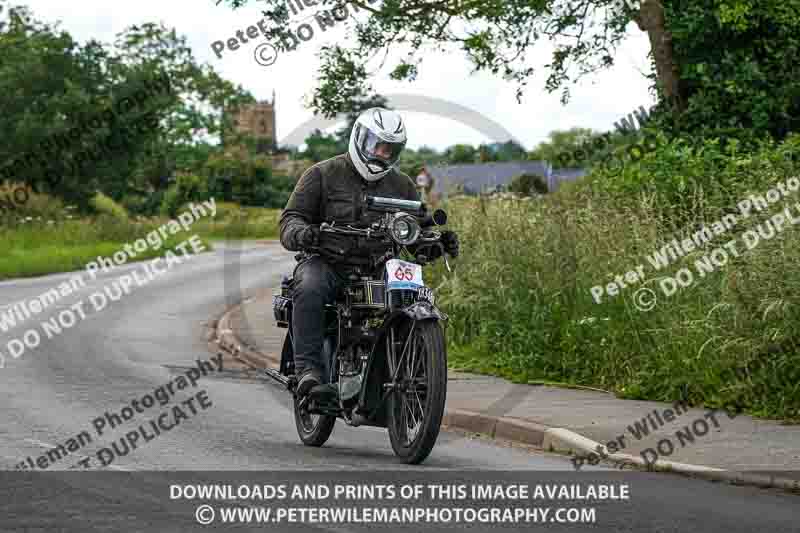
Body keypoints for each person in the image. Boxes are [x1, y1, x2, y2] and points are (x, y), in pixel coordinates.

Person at [279, 108, 460, 398]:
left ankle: (409, 373)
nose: (381, 154)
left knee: (415, 297)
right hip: (328, 262)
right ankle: (308, 371)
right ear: (360, 139)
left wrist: (436, 243)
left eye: (390, 149)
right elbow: (291, 220)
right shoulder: (322, 174)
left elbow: (416, 230)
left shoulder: (402, 185)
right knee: (309, 286)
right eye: (377, 145)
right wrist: (306, 233)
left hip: (380, 268)